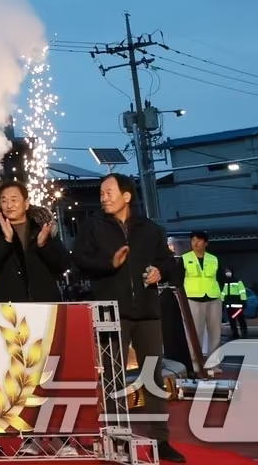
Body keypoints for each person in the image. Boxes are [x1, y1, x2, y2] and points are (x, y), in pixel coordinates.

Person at [74, 173, 185, 464]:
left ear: (127, 196)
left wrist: (161, 272)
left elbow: (169, 264)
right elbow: (80, 262)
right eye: (101, 193)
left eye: (109, 192)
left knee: (153, 376)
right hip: (111, 313)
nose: (103, 198)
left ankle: (160, 440)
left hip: (148, 312)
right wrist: (109, 263)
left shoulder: (150, 229)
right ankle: (116, 440)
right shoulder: (93, 226)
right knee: (113, 377)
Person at [0, 181, 71, 304]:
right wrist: (6, 241)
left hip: (45, 303)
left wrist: (43, 245)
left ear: (26, 203)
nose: (9, 205)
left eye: (14, 200)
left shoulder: (43, 228)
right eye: (4, 201)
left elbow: (62, 265)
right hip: (9, 306)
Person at [181, 231, 222, 376]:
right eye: (193, 240)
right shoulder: (185, 258)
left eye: (198, 241)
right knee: (194, 334)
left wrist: (220, 295)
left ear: (206, 243)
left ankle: (213, 364)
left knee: (215, 334)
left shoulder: (214, 259)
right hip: (193, 299)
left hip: (213, 298)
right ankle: (195, 363)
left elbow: (220, 277)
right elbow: (178, 279)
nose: (195, 243)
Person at [219, 269, 248, 340]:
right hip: (229, 305)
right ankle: (235, 334)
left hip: (238, 305)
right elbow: (223, 293)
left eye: (228, 271)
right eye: (226, 272)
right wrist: (221, 302)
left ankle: (244, 333)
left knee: (241, 319)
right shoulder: (226, 283)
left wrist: (243, 301)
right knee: (232, 321)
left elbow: (242, 292)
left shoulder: (238, 282)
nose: (227, 273)